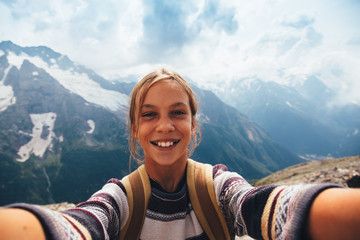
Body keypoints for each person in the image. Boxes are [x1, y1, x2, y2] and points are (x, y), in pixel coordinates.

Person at [0, 68, 360, 240]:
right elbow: (81, 225)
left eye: (177, 112)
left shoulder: (217, 185)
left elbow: (259, 206)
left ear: (192, 123)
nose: (165, 126)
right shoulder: (121, 199)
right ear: (135, 129)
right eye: (149, 114)